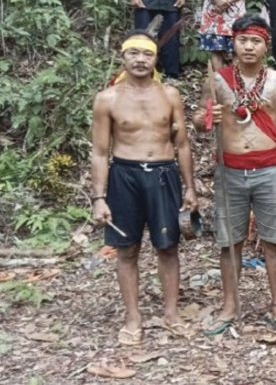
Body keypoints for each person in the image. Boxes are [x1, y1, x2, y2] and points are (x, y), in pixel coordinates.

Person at [193, 14, 276, 336]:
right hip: (230, 170)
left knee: (274, 240)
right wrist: (205, 118)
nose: (249, 47)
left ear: (266, 46)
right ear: (233, 43)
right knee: (230, 241)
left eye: (256, 41)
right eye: (243, 40)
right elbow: (199, 120)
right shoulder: (217, 80)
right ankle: (230, 305)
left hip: (270, 169)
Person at [90, 31, 197, 344]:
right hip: (125, 176)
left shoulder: (170, 95)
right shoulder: (107, 99)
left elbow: (183, 145)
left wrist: (190, 187)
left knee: (168, 247)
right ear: (123, 57)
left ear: (155, 59)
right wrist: (99, 197)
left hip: (164, 175)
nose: (140, 59)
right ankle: (133, 318)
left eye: (146, 54)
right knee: (127, 250)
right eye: (133, 53)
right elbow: (99, 151)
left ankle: (171, 314)